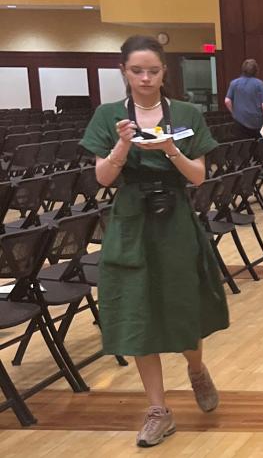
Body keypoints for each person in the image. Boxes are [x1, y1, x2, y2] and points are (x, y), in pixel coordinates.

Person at [79, 35, 228, 448]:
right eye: (137, 70)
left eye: (154, 70)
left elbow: (198, 176)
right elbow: (103, 178)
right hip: (131, 220)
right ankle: (158, 410)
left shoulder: (186, 113)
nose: (146, 78)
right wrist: (123, 145)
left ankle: (196, 368)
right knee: (137, 310)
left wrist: (171, 151)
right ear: (124, 72)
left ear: (165, 72)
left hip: (175, 218)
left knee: (182, 304)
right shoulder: (109, 116)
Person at [224, 58, 263, 138]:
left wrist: (234, 112)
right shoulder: (260, 84)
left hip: (239, 122)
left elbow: (227, 101)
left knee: (243, 147)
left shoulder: (234, 83)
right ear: (256, 70)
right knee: (258, 146)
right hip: (257, 122)